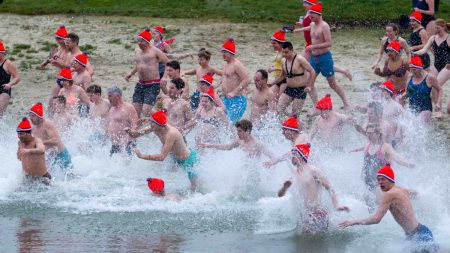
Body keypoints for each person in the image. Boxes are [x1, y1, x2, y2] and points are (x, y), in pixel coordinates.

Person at [339, 165, 438, 253]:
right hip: (420, 232)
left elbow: (376, 219)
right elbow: (415, 193)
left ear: (391, 180)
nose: (380, 182)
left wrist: (353, 222)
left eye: (383, 179)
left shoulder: (389, 194)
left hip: (417, 236)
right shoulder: (402, 189)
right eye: (378, 180)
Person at [277, 143, 349, 234]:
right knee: (305, 246)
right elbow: (280, 195)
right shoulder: (293, 174)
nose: (292, 156)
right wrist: (284, 187)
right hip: (305, 217)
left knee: (315, 245)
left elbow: (330, 188)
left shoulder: (314, 171)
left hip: (317, 215)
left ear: (302, 155)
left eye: (295, 154)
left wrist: (337, 205)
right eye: (292, 154)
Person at [128, 110, 200, 189]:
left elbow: (161, 157)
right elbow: (136, 135)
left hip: (188, 160)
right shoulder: (154, 127)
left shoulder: (171, 133)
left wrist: (141, 156)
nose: (149, 124)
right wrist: (129, 131)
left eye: (151, 122)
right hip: (174, 158)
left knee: (195, 187)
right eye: (150, 121)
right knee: (166, 175)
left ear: (159, 125)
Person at [350, 124, 415, 207]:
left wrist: (407, 164)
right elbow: (362, 147)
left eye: (371, 133)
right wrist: (354, 150)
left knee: (384, 207)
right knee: (369, 207)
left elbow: (396, 156)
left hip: (380, 184)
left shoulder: (385, 147)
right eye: (367, 133)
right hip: (367, 183)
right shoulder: (368, 145)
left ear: (378, 134)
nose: (368, 135)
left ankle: (409, 196)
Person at [301, 4, 351, 110]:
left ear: (318, 14)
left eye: (312, 13)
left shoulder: (324, 26)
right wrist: (298, 29)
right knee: (309, 84)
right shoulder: (312, 24)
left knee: (332, 84)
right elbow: (309, 27)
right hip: (314, 58)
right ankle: (317, 107)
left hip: (325, 57)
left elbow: (329, 43)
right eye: (309, 13)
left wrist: (313, 46)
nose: (310, 15)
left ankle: (346, 103)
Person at [293, 0, 352, 81]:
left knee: (303, 62)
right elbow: (310, 26)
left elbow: (319, 25)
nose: (303, 5)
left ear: (311, 5)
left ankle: (304, 81)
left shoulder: (315, 15)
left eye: (305, 3)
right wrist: (301, 26)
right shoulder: (309, 14)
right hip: (309, 43)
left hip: (312, 44)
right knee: (318, 64)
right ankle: (344, 71)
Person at [125, 28, 169, 117]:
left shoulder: (155, 51)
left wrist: (164, 77)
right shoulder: (137, 50)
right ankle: (136, 129)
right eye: (138, 41)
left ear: (147, 41)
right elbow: (139, 64)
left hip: (153, 84)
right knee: (135, 111)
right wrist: (131, 73)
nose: (139, 43)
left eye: (141, 41)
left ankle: (162, 116)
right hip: (140, 84)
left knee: (146, 111)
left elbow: (168, 63)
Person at [414, 19, 450, 118]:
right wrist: (414, 52)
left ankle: (438, 110)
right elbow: (424, 50)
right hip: (436, 66)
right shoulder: (433, 38)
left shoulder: (448, 38)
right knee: (430, 84)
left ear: (443, 27)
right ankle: (439, 110)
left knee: (435, 85)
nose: (436, 29)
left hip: (448, 67)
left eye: (437, 27)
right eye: (435, 27)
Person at [271, 42, 314, 117]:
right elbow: (282, 76)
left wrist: (310, 86)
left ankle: (300, 126)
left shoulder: (300, 59)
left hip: (300, 90)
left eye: (287, 52)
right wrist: (272, 83)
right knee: (279, 109)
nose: (285, 54)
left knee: (295, 115)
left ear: (292, 50)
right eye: (283, 52)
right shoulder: (283, 61)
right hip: (289, 89)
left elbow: (312, 71)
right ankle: (280, 127)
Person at [198, 119, 275, 160]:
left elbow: (272, 156)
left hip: (253, 175)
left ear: (247, 131)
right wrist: (210, 145)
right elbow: (228, 147)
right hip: (241, 173)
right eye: (237, 131)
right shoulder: (239, 140)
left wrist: (271, 168)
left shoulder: (257, 144)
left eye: (240, 131)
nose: (237, 133)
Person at [28, 102, 73, 171]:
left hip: (61, 154)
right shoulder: (33, 128)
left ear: (39, 116)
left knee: (71, 177)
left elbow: (55, 141)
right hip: (49, 157)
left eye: (33, 116)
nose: (31, 118)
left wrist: (40, 143)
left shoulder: (47, 124)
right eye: (30, 116)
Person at [219, 39, 250, 122]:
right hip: (226, 99)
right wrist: (220, 91)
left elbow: (247, 79)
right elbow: (225, 78)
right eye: (222, 52)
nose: (223, 54)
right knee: (221, 122)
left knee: (230, 123)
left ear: (230, 52)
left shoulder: (236, 64)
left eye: (225, 52)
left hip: (238, 100)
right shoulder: (225, 63)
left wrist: (234, 92)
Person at [16, 118, 51, 185]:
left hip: (42, 179)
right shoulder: (20, 143)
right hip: (28, 179)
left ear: (28, 133)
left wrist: (28, 151)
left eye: (21, 134)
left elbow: (42, 149)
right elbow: (19, 158)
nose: (19, 136)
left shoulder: (36, 141)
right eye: (18, 134)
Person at [405, 56, 440, 122]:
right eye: (411, 69)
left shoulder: (429, 78)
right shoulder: (410, 77)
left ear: (420, 68)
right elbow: (406, 93)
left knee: (417, 124)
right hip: (412, 108)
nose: (413, 71)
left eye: (414, 69)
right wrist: (401, 97)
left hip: (425, 109)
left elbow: (440, 89)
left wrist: (437, 103)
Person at [106, 86, 138, 156]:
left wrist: (126, 139)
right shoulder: (112, 109)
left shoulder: (128, 107)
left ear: (117, 96)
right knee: (112, 164)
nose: (108, 98)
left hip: (127, 143)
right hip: (115, 144)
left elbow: (135, 125)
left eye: (110, 96)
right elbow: (109, 125)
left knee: (128, 165)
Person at [377, 80, 406, 147]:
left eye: (383, 91)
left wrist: (398, 132)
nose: (381, 93)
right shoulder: (381, 104)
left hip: (393, 135)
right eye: (381, 91)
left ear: (388, 92)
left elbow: (403, 119)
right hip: (383, 134)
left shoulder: (396, 106)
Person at [0, 41, 20, 117]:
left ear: (2, 54)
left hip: (4, 90)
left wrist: (10, 84)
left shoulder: (8, 63)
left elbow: (17, 77)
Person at [267, 30, 287, 100]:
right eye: (272, 43)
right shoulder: (279, 51)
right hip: (278, 79)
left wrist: (274, 69)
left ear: (281, 43)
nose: (272, 45)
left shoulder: (285, 53)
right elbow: (279, 64)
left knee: (281, 103)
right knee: (271, 98)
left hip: (285, 80)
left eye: (274, 43)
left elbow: (289, 68)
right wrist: (273, 67)